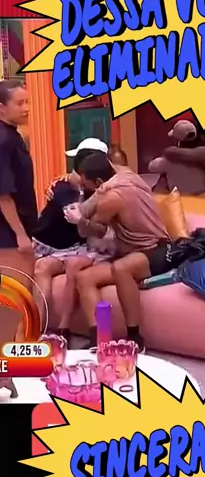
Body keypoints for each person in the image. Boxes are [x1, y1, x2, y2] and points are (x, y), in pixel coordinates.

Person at [64, 153, 170, 352]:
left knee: (121, 268)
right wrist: (85, 199)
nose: (86, 189)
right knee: (84, 278)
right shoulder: (124, 173)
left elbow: (92, 231)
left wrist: (79, 219)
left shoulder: (112, 199)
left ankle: (135, 338)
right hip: (129, 252)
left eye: (86, 185)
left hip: (156, 250)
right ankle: (100, 338)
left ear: (99, 182)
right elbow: (96, 196)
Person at [33, 143, 115, 342]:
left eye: (79, 170)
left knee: (74, 266)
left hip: (85, 247)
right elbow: (72, 211)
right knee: (42, 267)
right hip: (54, 245)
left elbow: (94, 226)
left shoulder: (106, 190)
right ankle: (36, 329)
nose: (74, 174)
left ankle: (64, 329)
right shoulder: (63, 186)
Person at [0, 79, 37, 345]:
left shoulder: (13, 136)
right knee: (16, 296)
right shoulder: (3, 140)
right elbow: (3, 194)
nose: (26, 108)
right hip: (8, 233)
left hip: (16, 229)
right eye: (20, 103)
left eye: (27, 102)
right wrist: (20, 234)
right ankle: (13, 357)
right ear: (2, 108)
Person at [148, 120, 205, 195]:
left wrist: (166, 155)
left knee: (163, 176)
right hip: (203, 196)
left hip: (180, 195)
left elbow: (151, 167)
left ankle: (158, 200)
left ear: (178, 141)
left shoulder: (171, 159)